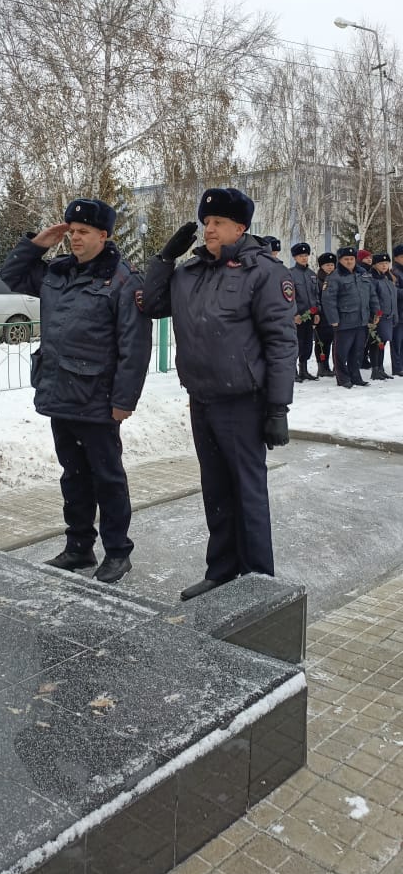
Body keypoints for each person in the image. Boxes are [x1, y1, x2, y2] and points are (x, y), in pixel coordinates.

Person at [140, 187, 298, 601]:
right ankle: (222, 571)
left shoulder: (263, 272)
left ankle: (258, 583)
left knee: (247, 491)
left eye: (218, 223)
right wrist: (164, 258)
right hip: (202, 398)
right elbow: (151, 303)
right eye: (206, 222)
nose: (208, 229)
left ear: (241, 227)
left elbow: (281, 342)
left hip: (243, 402)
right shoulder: (189, 272)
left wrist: (278, 407)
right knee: (216, 489)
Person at [0, 197, 152, 582]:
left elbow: (134, 346)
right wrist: (39, 243)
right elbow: (12, 275)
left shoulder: (122, 279)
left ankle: (118, 551)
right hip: (59, 392)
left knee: (107, 477)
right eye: (72, 231)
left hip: (98, 399)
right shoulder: (57, 272)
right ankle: (79, 547)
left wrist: (123, 401)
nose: (76, 239)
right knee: (73, 475)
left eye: (84, 232)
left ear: (104, 234)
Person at [320, 246, 379, 388]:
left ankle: (355, 376)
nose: (349, 261)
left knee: (357, 351)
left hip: (361, 320)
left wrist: (376, 311)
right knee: (341, 352)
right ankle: (342, 378)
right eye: (346, 259)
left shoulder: (363, 274)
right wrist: (333, 320)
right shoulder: (334, 277)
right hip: (344, 321)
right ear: (340, 260)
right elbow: (328, 300)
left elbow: (371, 294)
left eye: (352, 259)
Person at [290, 242, 321, 381]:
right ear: (295, 257)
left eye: (305, 255)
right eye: (300, 256)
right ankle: (293, 371)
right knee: (296, 343)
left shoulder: (312, 275)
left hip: (310, 315)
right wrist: (293, 314)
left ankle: (304, 369)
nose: (304, 258)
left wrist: (317, 313)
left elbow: (317, 296)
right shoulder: (290, 274)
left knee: (308, 344)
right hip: (297, 317)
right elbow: (289, 297)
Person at [370, 252, 398, 381]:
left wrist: (394, 315)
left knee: (383, 343)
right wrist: (376, 313)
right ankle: (375, 369)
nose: (384, 266)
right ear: (375, 265)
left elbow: (393, 299)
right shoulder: (373, 279)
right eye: (381, 263)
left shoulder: (387, 278)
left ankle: (380, 368)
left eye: (386, 263)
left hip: (388, 316)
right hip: (379, 317)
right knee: (376, 343)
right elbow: (373, 298)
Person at [314, 253, 336, 376]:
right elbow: (316, 296)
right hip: (322, 316)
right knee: (322, 342)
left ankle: (332, 366)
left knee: (334, 341)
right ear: (322, 266)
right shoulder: (318, 280)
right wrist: (318, 311)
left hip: (335, 315)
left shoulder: (336, 278)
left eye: (332, 265)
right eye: (327, 265)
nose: (330, 267)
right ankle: (322, 366)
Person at [391, 244, 403, 376]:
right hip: (398, 311)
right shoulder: (394, 272)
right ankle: (397, 367)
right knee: (397, 342)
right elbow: (394, 292)